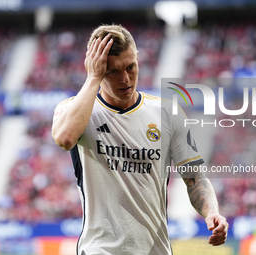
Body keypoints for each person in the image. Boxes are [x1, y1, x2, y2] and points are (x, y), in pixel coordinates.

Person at [52, 24, 228, 255]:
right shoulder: (76, 110)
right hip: (100, 250)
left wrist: (212, 212)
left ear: (137, 57)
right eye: (113, 71)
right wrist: (93, 77)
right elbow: (65, 139)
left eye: (130, 67)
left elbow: (194, 178)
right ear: (97, 68)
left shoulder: (167, 113)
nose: (125, 78)